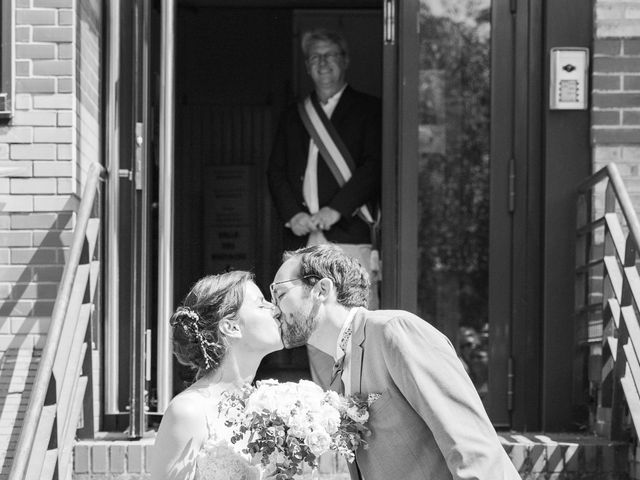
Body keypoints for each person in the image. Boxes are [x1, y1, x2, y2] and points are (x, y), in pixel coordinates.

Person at [271, 244, 521, 480]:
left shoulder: (394, 330)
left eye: (279, 293)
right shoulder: (339, 370)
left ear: (321, 290)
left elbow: (472, 446)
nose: (274, 309)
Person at [267, 28, 381, 389]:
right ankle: (326, 400)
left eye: (330, 55)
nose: (323, 64)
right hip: (306, 239)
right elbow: (277, 171)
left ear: (344, 61)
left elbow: (373, 167)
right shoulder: (294, 116)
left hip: (350, 233)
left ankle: (361, 400)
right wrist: (293, 214)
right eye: (315, 58)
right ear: (307, 66)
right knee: (312, 320)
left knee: (354, 321)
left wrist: (337, 210)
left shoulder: (369, 109)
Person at [150, 271, 282, 480]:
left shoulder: (263, 406)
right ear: (231, 327)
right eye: (261, 304)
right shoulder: (188, 411)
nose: (274, 308)